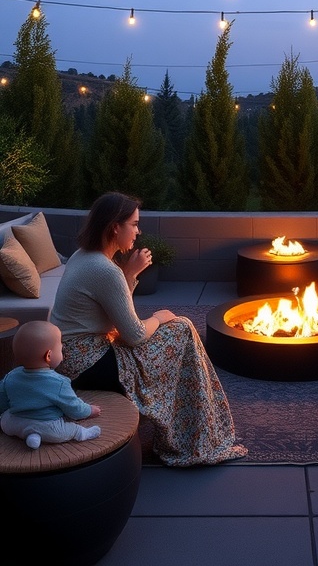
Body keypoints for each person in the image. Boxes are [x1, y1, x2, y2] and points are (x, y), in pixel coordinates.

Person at [50, 192, 247, 467]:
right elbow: (134, 335)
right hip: (87, 364)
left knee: (177, 330)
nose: (138, 231)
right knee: (182, 329)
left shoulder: (82, 256)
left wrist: (130, 275)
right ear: (115, 227)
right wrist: (159, 316)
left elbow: (118, 316)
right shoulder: (105, 270)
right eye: (133, 223)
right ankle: (192, 436)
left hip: (72, 356)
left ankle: (190, 427)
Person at [0, 320, 101, 449]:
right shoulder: (59, 382)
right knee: (65, 430)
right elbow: (73, 407)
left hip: (14, 424)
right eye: (60, 349)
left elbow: (2, 400)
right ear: (48, 356)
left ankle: (31, 436)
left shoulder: (10, 376)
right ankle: (81, 433)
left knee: (5, 417)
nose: (62, 354)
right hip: (47, 427)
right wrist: (88, 410)